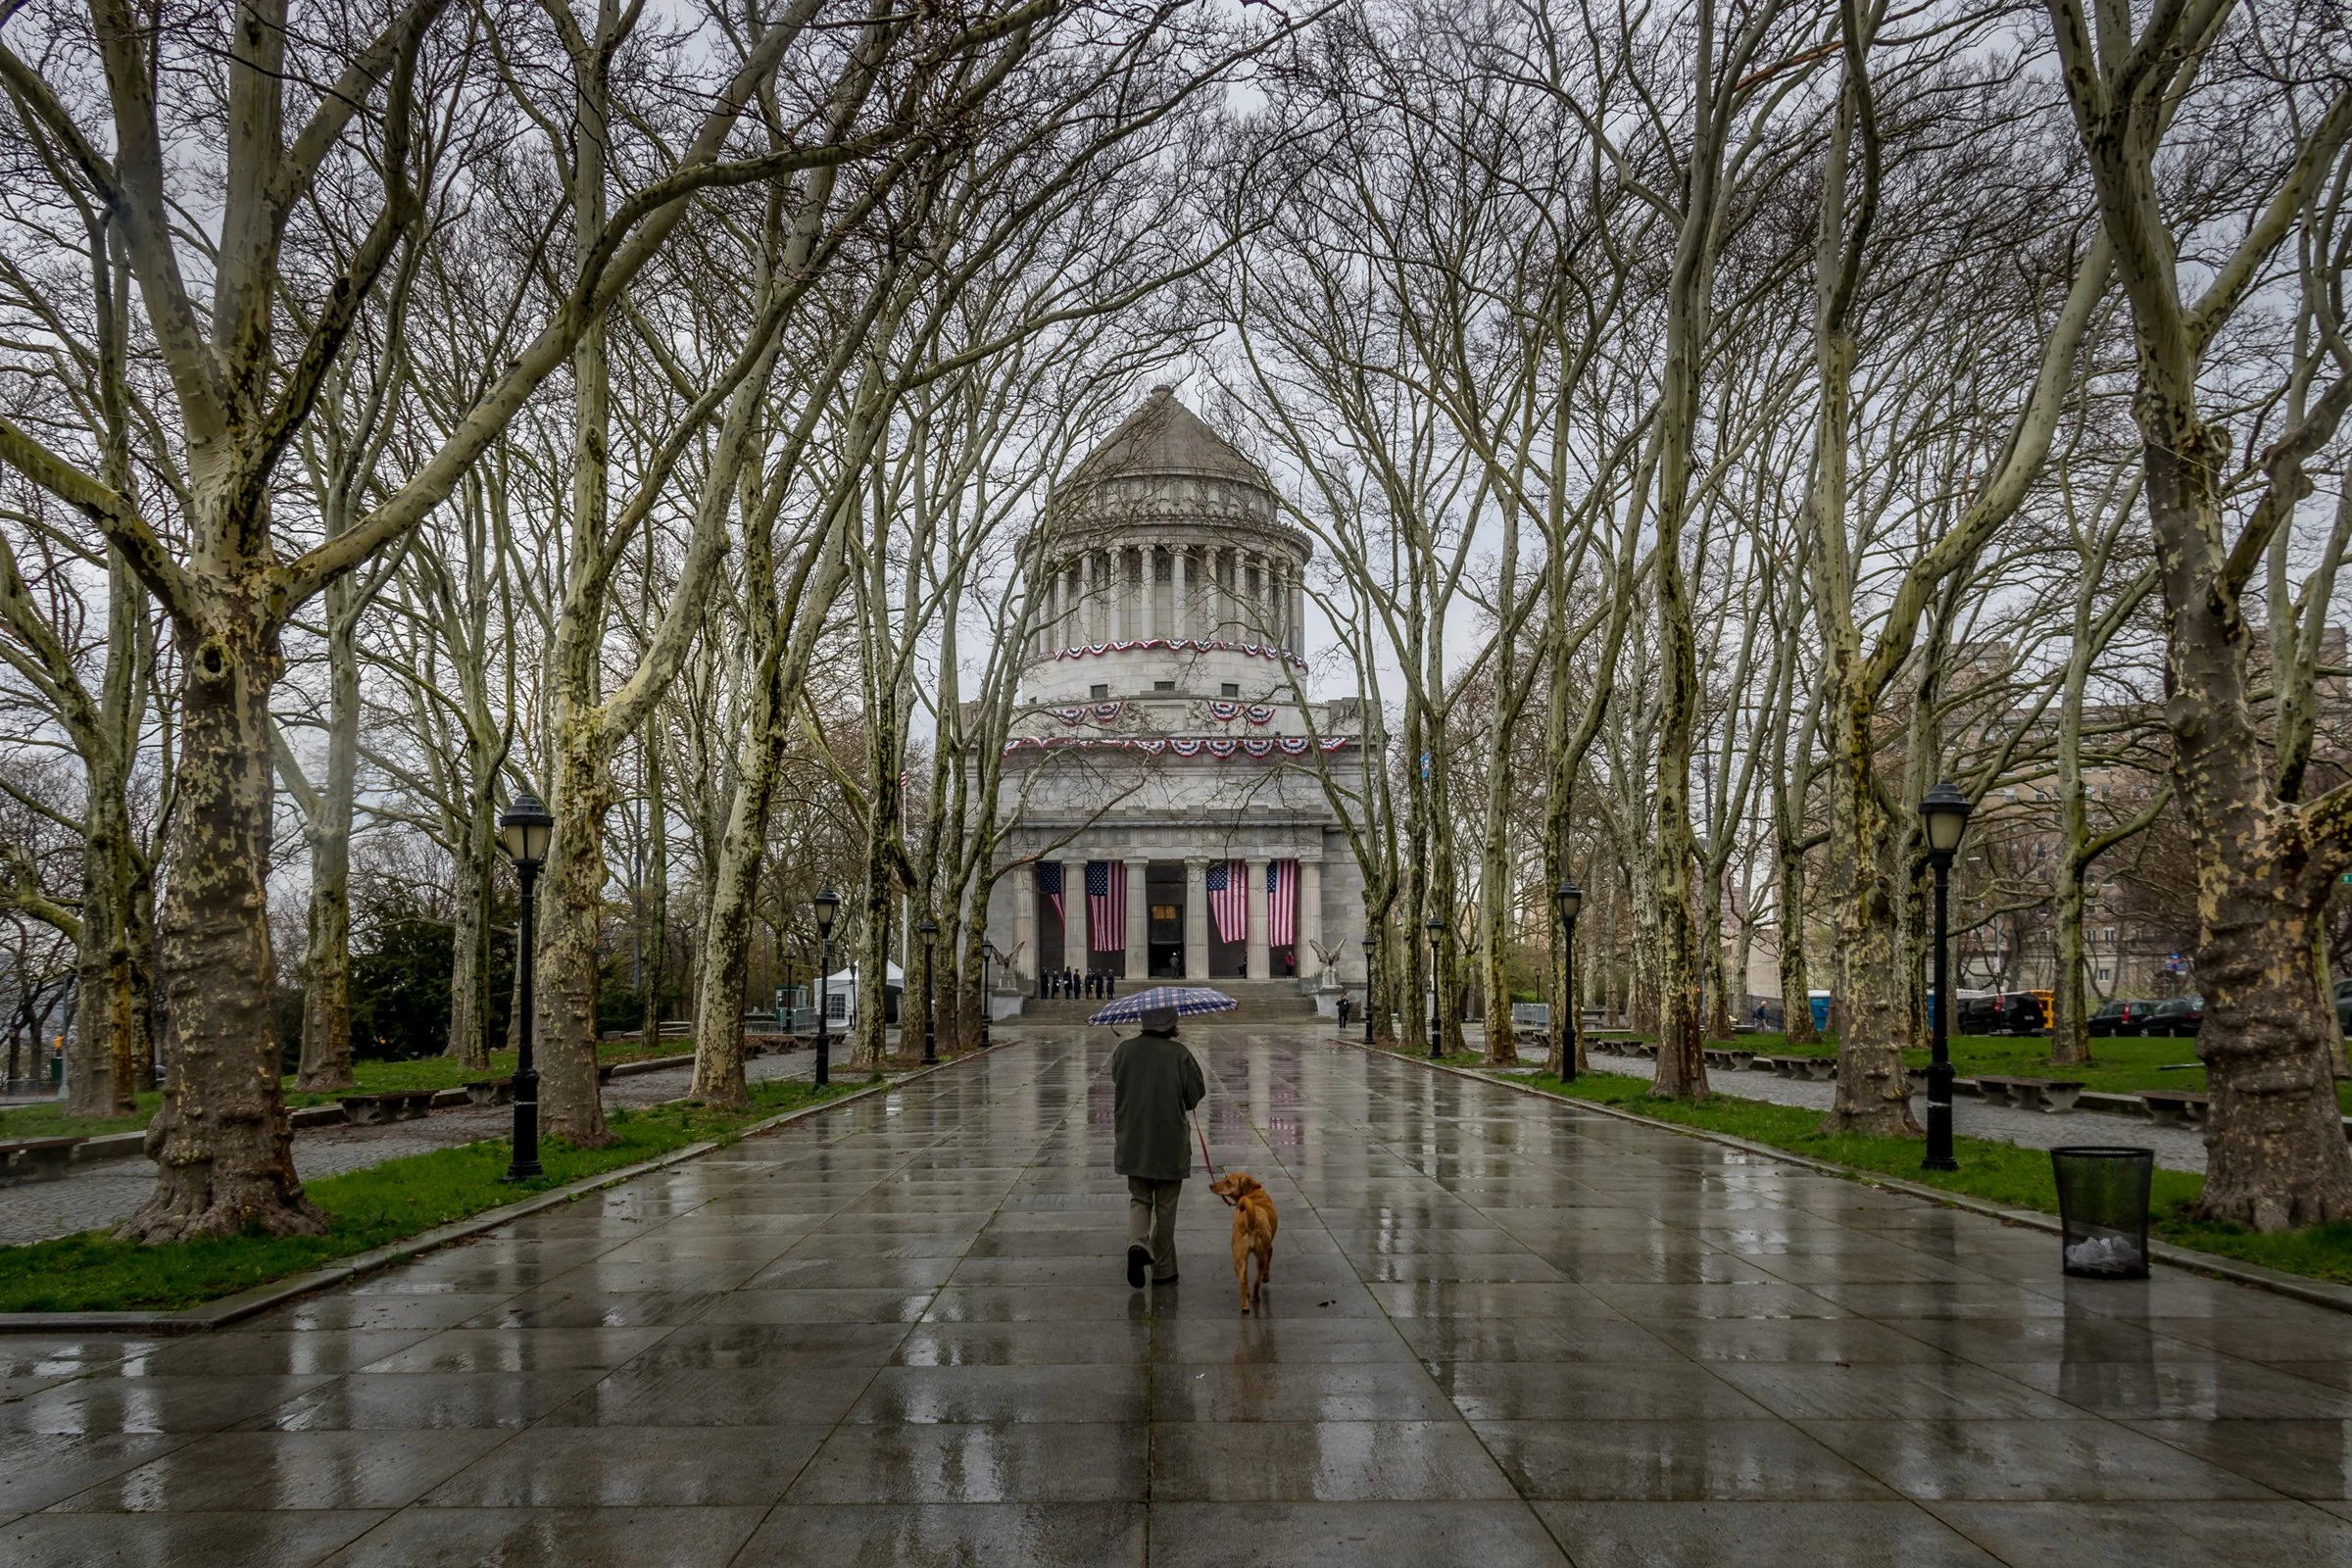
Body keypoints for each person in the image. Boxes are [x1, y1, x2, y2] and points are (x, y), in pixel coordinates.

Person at [1110, 1004, 1205, 1289]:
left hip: (1133, 1139)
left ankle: (1137, 1245)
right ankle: (1163, 1270)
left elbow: (1119, 1081)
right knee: (1166, 1206)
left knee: (1139, 1199)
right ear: (1172, 1024)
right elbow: (1194, 1095)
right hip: (1169, 1141)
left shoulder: (1123, 1051)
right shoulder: (1180, 1055)